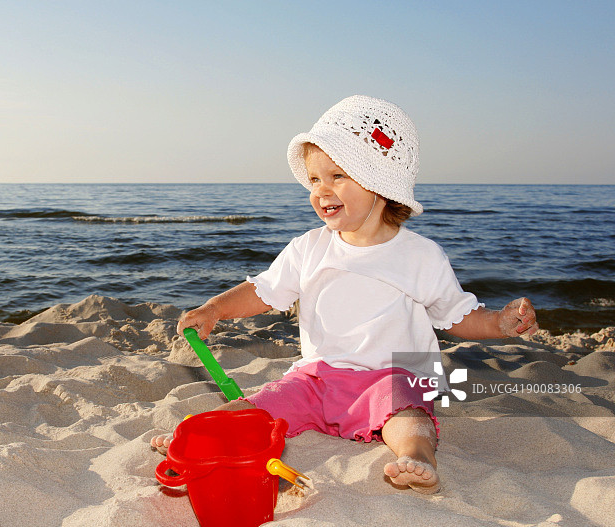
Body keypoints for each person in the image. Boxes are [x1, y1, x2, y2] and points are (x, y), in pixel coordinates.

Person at [151, 95, 538, 493]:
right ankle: (202, 440)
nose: (321, 191)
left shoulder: (419, 255)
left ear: (380, 186)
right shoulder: (309, 247)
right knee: (262, 403)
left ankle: (416, 456)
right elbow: (263, 292)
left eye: (337, 177)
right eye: (315, 180)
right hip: (318, 378)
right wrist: (216, 308)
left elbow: (457, 316)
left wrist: (499, 323)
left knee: (408, 413)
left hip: (391, 376)